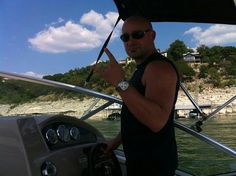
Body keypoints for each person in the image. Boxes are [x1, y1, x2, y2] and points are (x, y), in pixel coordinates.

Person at [94, 16, 179, 176]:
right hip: (140, 163)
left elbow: (156, 121)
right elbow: (137, 113)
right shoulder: (142, 68)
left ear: (152, 35)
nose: (130, 41)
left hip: (154, 167)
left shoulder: (158, 68)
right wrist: (117, 141)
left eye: (137, 34)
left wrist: (119, 82)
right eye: (125, 37)